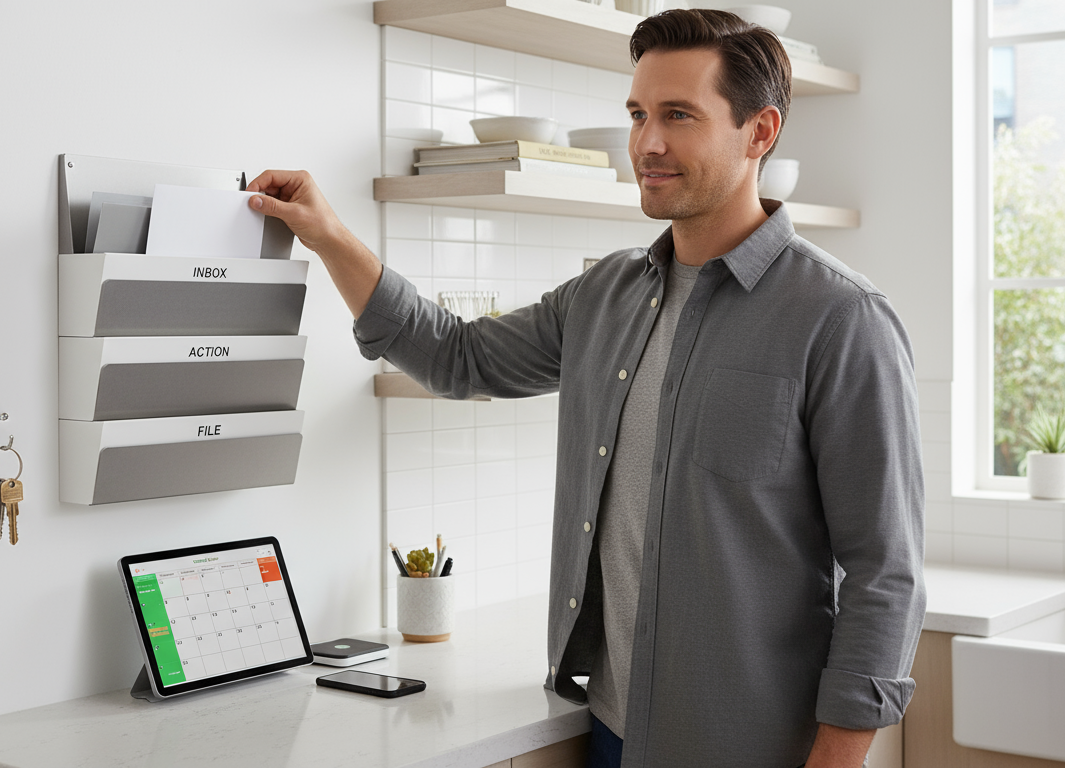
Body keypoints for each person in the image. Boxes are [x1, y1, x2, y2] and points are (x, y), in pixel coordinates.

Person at [245, 9, 925, 767]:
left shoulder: (840, 319)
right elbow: (458, 355)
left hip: (751, 741)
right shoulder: (605, 295)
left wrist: (838, 758)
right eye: (637, 114)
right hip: (609, 726)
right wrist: (331, 234)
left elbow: (884, 571)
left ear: (759, 132)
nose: (647, 143)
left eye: (678, 116)